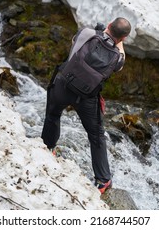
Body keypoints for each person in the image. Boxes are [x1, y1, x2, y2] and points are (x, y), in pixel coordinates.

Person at [41, 17, 131, 194]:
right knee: (96, 135)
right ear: (123, 39)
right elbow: (120, 59)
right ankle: (103, 180)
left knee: (53, 115)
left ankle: (47, 148)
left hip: (63, 85)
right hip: (86, 98)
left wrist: (101, 32)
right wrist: (119, 42)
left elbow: (74, 43)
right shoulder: (118, 58)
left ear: (108, 25)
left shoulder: (87, 33)